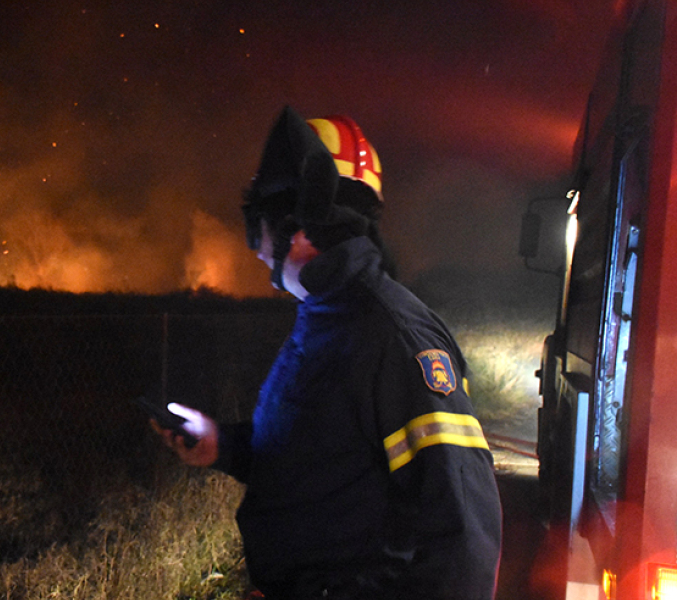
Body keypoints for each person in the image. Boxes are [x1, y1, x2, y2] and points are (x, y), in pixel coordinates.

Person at [152, 106, 502, 600]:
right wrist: (222, 445)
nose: (255, 248)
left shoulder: (394, 337)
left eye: (257, 225)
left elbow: (463, 540)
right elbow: (322, 462)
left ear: (297, 226)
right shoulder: (327, 318)